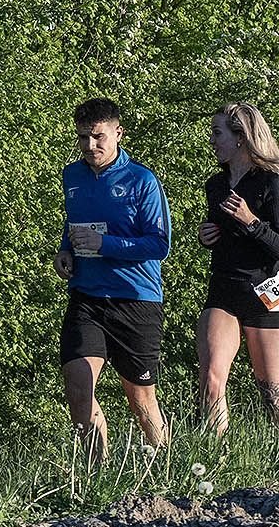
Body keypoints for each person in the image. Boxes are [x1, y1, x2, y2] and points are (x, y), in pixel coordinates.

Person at [53, 97, 169, 461]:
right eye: (83, 137)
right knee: (78, 384)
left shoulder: (142, 180)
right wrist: (65, 251)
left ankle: (165, 469)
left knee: (140, 397)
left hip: (135, 297)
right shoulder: (72, 175)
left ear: (118, 133)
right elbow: (74, 223)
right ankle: (95, 474)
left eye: (98, 136)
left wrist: (105, 244)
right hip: (87, 295)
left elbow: (159, 244)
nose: (90, 146)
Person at [196, 102, 279, 434]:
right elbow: (221, 232)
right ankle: (216, 457)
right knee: (211, 377)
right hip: (224, 289)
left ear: (241, 137)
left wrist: (252, 222)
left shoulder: (271, 183)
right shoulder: (215, 184)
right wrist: (207, 235)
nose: (212, 141)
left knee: (272, 392)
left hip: (264, 293)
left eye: (217, 133)